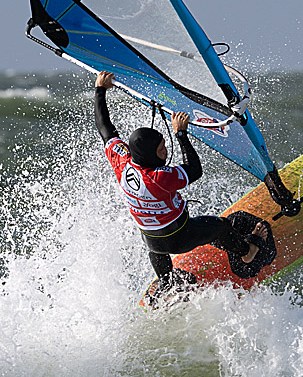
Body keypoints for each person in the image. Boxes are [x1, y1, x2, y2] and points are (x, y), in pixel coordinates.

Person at [94, 71, 268, 287]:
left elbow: (105, 129)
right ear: (150, 156)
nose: (166, 152)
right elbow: (194, 170)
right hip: (180, 236)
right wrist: (181, 135)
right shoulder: (159, 178)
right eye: (161, 149)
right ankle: (247, 252)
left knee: (155, 243)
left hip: (152, 242)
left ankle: (166, 281)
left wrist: (100, 90)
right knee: (220, 227)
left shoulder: (121, 161)